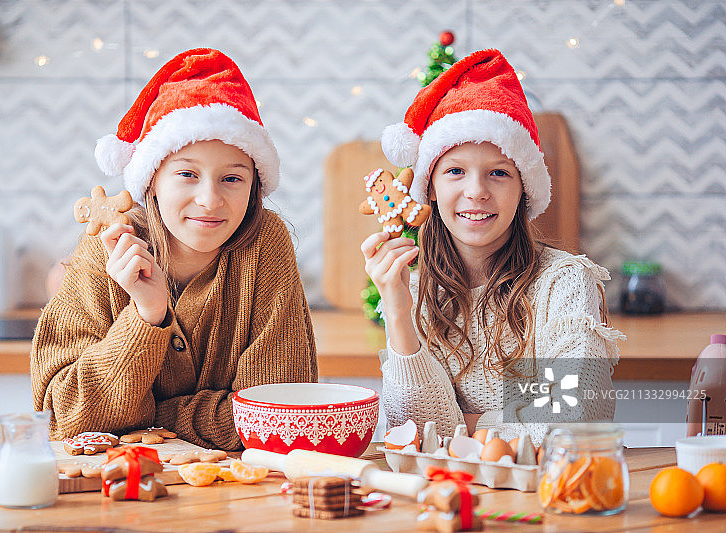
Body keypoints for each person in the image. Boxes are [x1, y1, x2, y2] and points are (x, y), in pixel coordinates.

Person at [31, 49, 318, 450]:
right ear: (151, 181)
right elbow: (64, 418)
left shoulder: (264, 243)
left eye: (232, 178)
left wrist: (150, 415)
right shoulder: (107, 250)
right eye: (187, 174)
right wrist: (147, 316)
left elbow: (281, 415)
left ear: (254, 186)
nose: (209, 199)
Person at [363, 49, 624, 444]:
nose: (476, 192)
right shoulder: (412, 289)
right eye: (455, 171)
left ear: (524, 189)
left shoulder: (562, 284)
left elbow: (572, 420)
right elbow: (412, 433)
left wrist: (465, 425)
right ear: (430, 188)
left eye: (498, 173)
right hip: (444, 496)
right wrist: (398, 313)